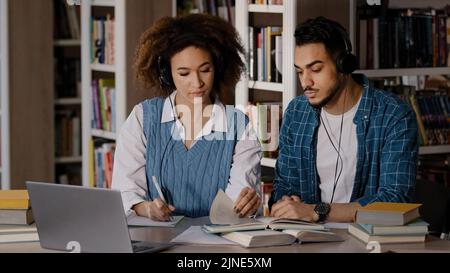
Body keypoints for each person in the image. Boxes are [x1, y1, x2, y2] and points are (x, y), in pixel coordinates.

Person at [112, 14, 262, 221]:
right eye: (184, 73)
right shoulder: (142, 118)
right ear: (166, 73)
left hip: (217, 241)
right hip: (155, 238)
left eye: (205, 70)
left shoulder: (238, 125)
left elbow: (238, 200)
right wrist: (145, 208)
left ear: (217, 68)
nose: (197, 82)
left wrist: (245, 204)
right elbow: (125, 192)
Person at [270, 17, 419, 223]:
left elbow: (394, 200)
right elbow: (284, 185)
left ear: (344, 65)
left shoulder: (393, 115)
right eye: (299, 71)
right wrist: (288, 201)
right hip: (306, 240)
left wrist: (316, 211)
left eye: (315, 69)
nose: (306, 82)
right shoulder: (297, 112)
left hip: (367, 241)